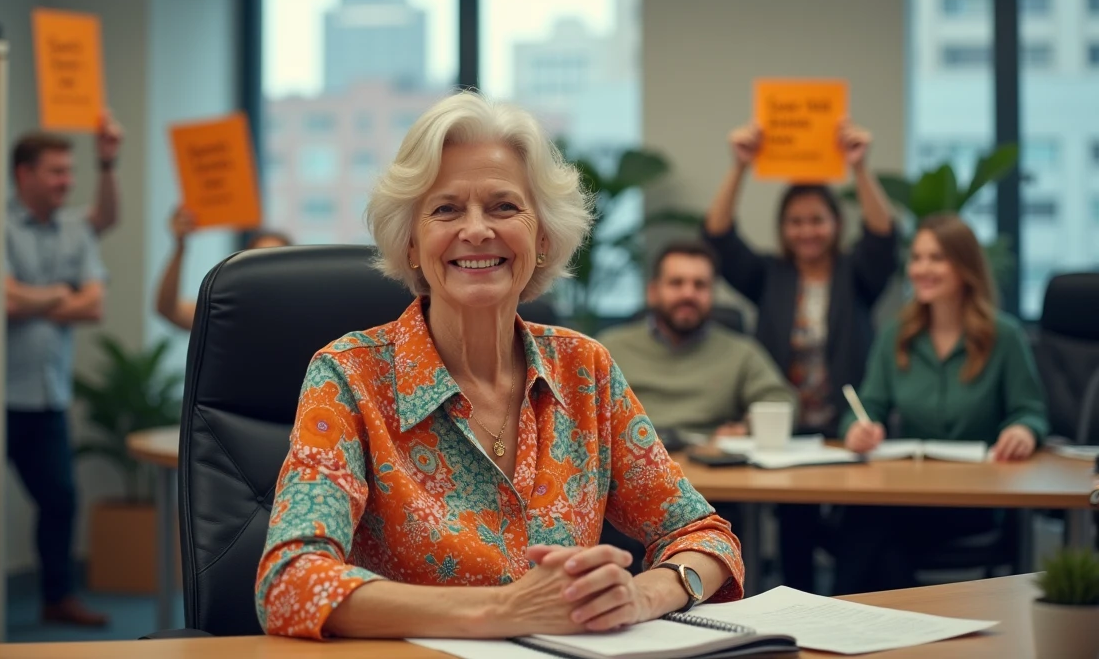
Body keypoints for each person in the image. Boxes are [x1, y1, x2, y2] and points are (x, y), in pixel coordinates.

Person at [256, 92, 744, 640]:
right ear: (412, 242)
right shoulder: (349, 377)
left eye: (504, 206)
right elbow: (290, 583)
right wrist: (504, 612)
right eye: (445, 209)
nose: (477, 230)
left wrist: (640, 595)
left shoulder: (585, 370)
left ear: (541, 238)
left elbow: (706, 536)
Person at [704, 119, 897, 593]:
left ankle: (847, 607)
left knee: (860, 533)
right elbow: (719, 236)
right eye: (796, 221)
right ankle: (798, 613)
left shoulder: (857, 275)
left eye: (817, 220)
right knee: (795, 531)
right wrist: (739, 167)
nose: (807, 230)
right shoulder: (770, 275)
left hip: (848, 431)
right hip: (786, 433)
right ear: (783, 229)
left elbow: (883, 238)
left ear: (835, 225)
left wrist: (860, 168)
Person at [835, 213, 1049, 594]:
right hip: (909, 494)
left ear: (965, 267)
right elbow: (866, 405)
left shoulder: (1005, 336)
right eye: (916, 258)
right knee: (876, 532)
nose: (921, 269)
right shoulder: (896, 336)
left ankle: (831, 618)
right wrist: (857, 428)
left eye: (936, 258)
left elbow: (1029, 409)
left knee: (870, 529)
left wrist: (1022, 430)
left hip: (974, 499)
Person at [5, 133, 109, 626]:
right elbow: (2, 300)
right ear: (24, 173)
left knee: (60, 499)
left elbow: (94, 305)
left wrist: (36, 298)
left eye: (69, 171)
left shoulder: (75, 230)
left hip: (48, 394)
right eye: (56, 171)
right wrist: (63, 293)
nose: (67, 181)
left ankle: (55, 596)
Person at [599, 240, 794, 439]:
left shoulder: (741, 352)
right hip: (631, 459)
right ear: (653, 292)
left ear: (713, 294)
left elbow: (782, 402)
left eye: (700, 285)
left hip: (712, 460)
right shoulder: (610, 349)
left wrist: (746, 428)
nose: (688, 294)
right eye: (676, 283)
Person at [154, 206, 290, 331]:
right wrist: (180, 246)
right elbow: (169, 309)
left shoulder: (302, 313)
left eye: (275, 260)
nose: (268, 270)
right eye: (260, 260)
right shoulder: (228, 314)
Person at [87, 112, 124, 237]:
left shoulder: (72, 223)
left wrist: (107, 161)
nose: (67, 181)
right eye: (56, 172)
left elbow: (107, 217)